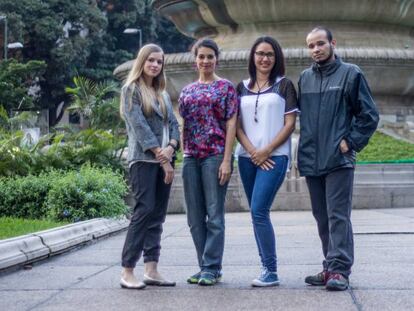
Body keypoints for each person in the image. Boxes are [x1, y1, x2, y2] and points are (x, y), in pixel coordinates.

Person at [298, 27, 379, 291]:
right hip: (311, 158)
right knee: (322, 216)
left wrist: (350, 142)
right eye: (311, 46)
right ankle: (330, 265)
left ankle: (340, 270)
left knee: (338, 216)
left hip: (338, 158)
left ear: (332, 43)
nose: (316, 49)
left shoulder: (351, 73)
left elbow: (369, 115)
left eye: (320, 43)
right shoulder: (305, 78)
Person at [235, 36, 298, 287]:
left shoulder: (284, 85)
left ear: (276, 58)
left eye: (270, 54)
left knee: (259, 210)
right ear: (253, 56)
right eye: (260, 53)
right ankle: (265, 266)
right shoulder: (240, 87)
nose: (264, 58)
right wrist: (253, 151)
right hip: (246, 158)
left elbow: (290, 123)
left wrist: (267, 150)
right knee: (256, 213)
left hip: (275, 157)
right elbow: (236, 125)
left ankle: (270, 271)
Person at [119, 43, 180, 289]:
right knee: (143, 211)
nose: (155, 65)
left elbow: (175, 125)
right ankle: (127, 270)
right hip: (143, 161)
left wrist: (172, 147)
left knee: (157, 215)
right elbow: (139, 126)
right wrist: (161, 155)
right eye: (151, 60)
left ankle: (151, 269)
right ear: (142, 62)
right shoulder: (131, 90)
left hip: (164, 158)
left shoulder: (163, 94)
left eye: (159, 61)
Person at [179, 38, 238, 286]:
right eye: (201, 57)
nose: (205, 61)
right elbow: (183, 124)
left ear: (216, 59)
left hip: (215, 156)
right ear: (196, 60)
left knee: (214, 215)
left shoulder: (226, 88)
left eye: (210, 57)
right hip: (191, 157)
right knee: (194, 217)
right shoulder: (186, 91)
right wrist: (182, 152)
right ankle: (205, 265)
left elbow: (231, 123)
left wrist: (227, 159)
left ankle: (212, 267)